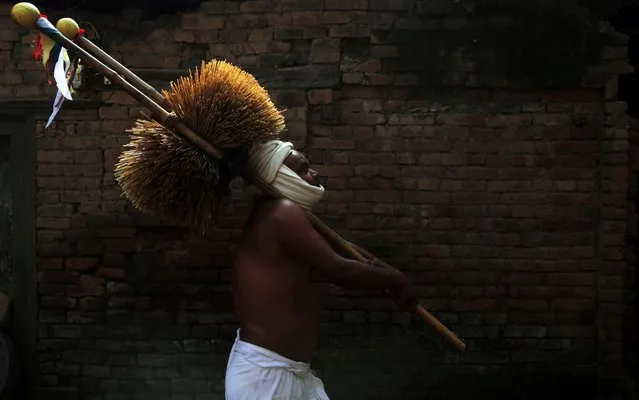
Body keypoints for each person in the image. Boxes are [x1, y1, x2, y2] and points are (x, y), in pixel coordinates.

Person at [225, 140, 418, 400]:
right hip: (266, 378)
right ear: (280, 175)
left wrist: (388, 274)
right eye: (304, 169)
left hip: (290, 373)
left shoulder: (281, 213)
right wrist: (395, 279)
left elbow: (345, 252)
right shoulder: (282, 212)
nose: (314, 174)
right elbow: (338, 269)